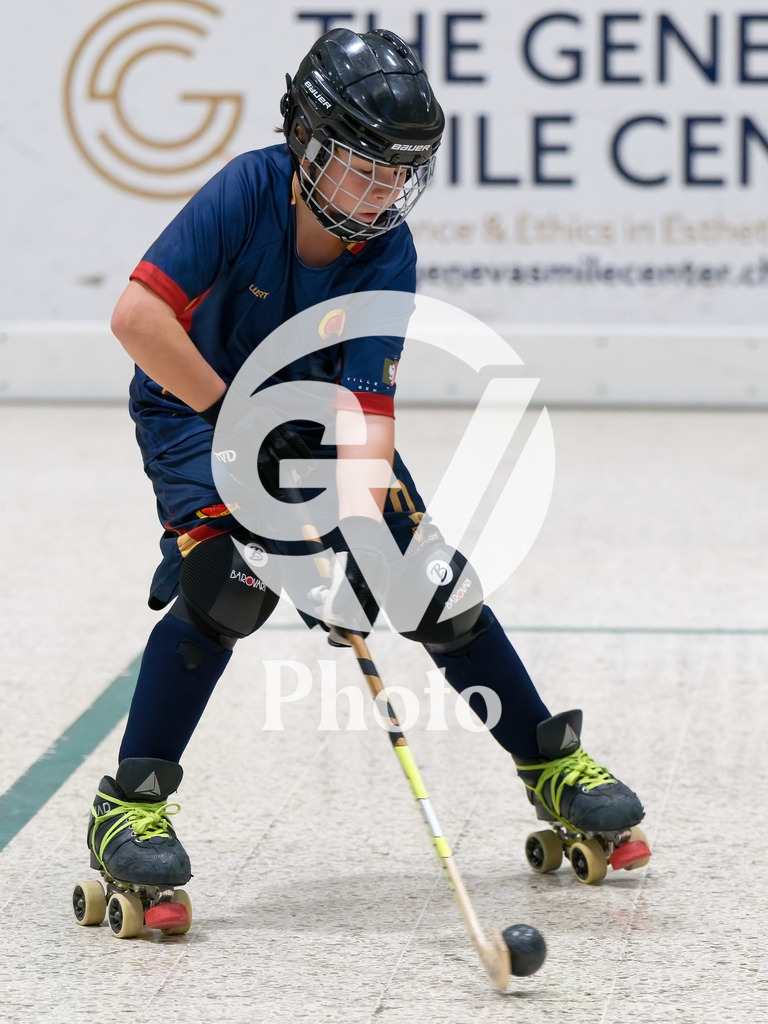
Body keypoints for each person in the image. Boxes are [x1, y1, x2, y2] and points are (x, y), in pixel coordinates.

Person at [84, 28, 646, 902]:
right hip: (193, 404)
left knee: (430, 582)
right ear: (306, 141)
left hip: (314, 420)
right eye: (366, 165)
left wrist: (344, 548)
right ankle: (132, 805)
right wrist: (239, 425)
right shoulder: (247, 190)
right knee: (230, 585)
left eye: (401, 171)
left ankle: (549, 760)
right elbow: (137, 321)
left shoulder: (389, 249)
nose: (385, 190)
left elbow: (369, 425)